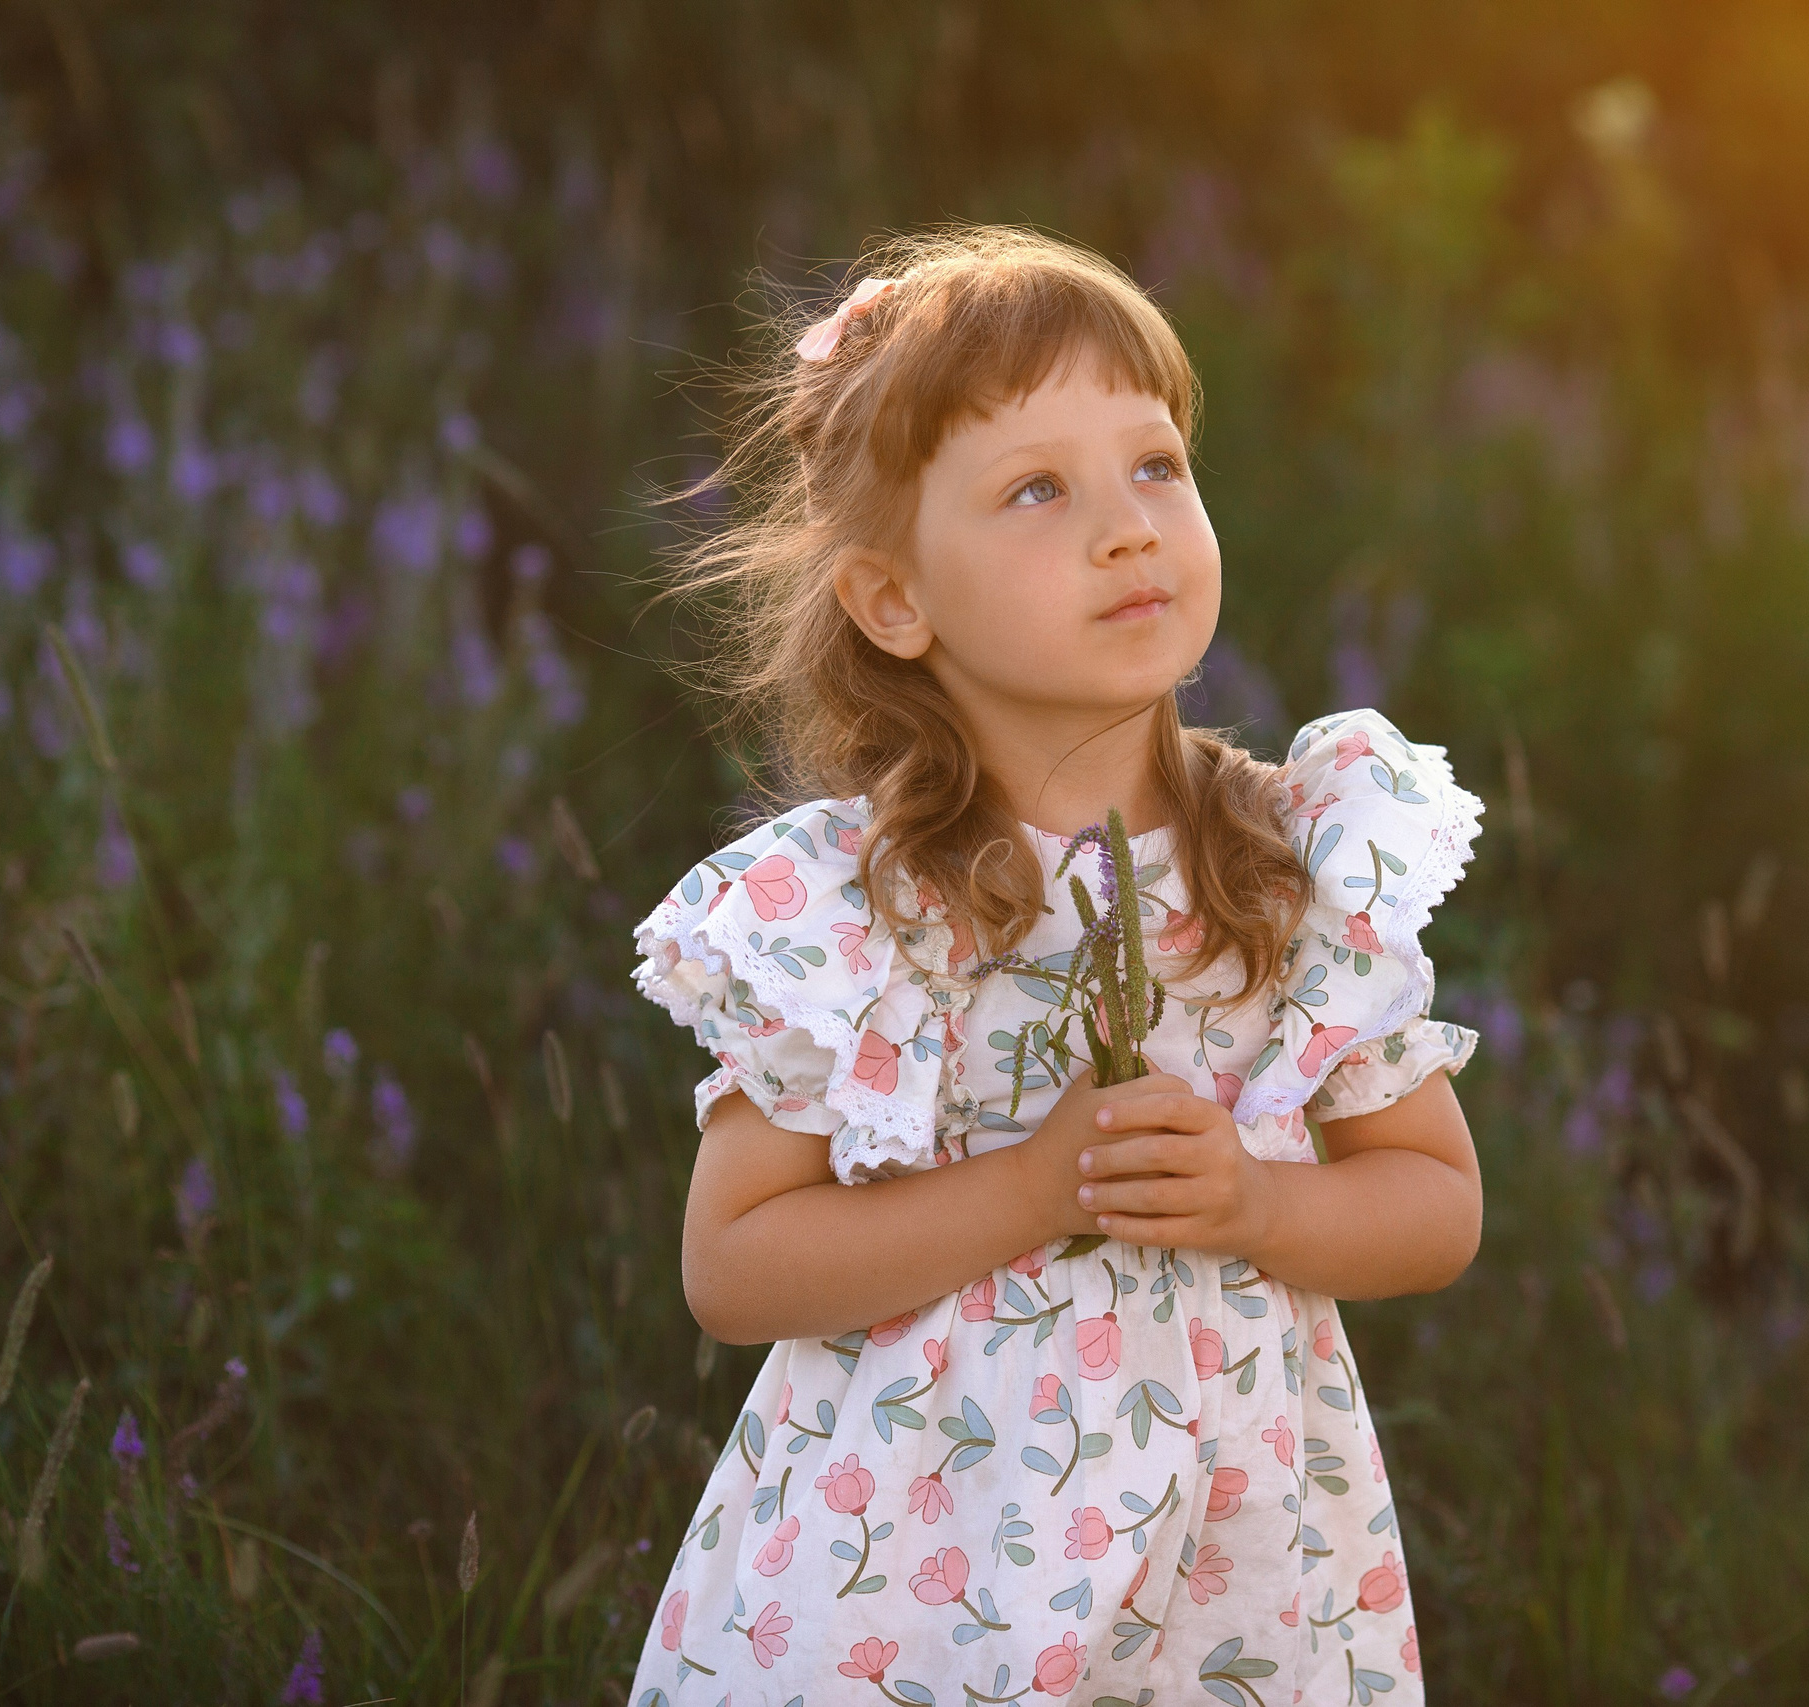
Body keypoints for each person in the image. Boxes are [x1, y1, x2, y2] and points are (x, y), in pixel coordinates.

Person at [627, 225, 1483, 1706]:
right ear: (895, 602)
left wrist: (1259, 1202)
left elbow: (1436, 1203)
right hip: (915, 1588)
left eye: (1156, 466)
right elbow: (736, 1264)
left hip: (1235, 1590)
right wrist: (1030, 1188)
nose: (1129, 526)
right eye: (1039, 491)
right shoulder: (859, 908)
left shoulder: (1290, 863)